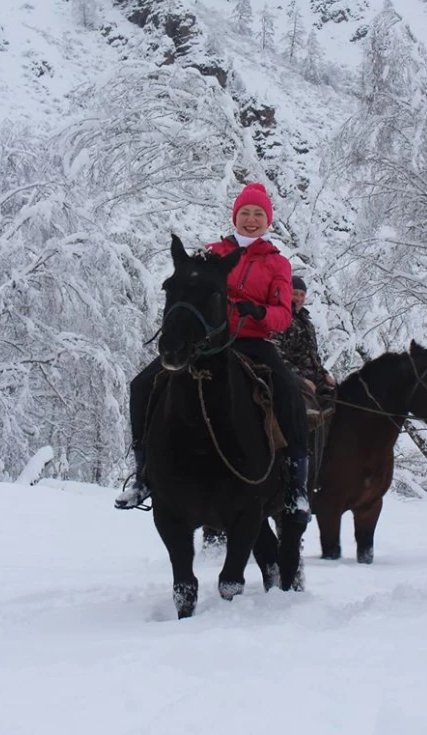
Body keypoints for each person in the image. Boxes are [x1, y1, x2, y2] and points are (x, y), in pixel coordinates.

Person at [115, 182, 311, 525]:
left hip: (252, 341)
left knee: (290, 392)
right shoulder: (212, 252)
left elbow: (282, 317)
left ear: (268, 220)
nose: (251, 220)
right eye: (245, 213)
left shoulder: (278, 264)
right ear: (235, 217)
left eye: (258, 214)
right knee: (142, 385)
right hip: (207, 343)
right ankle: (143, 474)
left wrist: (258, 311)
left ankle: (296, 487)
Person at [273, 276, 336, 400]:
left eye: (302, 295)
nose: (298, 298)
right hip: (291, 380)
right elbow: (276, 354)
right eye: (295, 293)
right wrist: (299, 379)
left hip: (316, 380)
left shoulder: (308, 324)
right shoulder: (281, 319)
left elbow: (313, 357)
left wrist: (324, 374)